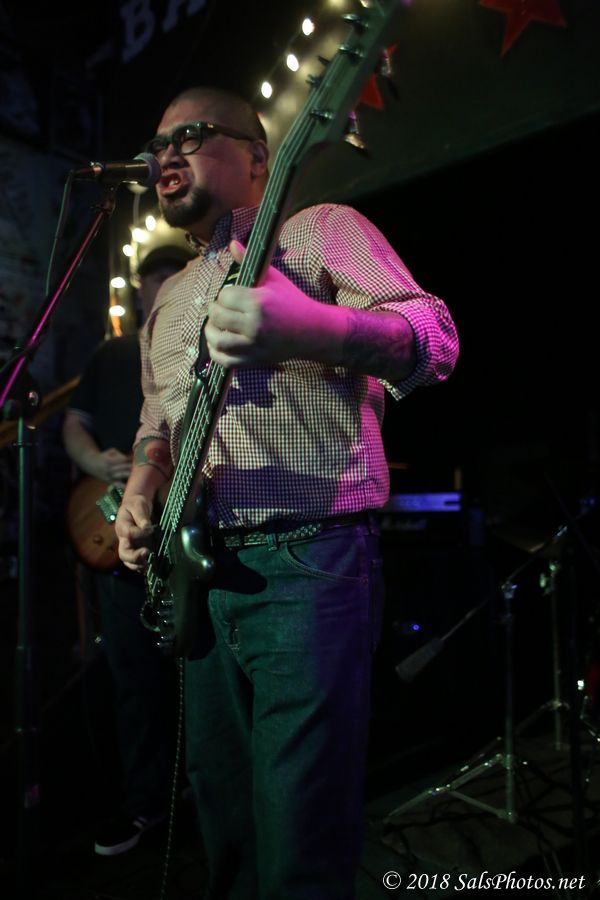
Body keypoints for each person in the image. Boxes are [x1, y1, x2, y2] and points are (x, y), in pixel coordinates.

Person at [114, 86, 459, 899]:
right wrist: (143, 484)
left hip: (308, 561)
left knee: (301, 837)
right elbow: (156, 423)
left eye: (192, 135)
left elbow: (434, 337)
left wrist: (309, 327)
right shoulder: (166, 302)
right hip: (200, 576)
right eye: (158, 143)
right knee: (229, 832)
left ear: (257, 156)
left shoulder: (319, 230)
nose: (166, 154)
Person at [62, 245, 191, 855]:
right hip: (121, 531)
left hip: (186, 529)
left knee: (194, 671)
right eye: (148, 286)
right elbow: (73, 423)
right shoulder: (111, 354)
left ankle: (202, 800)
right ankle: (147, 805)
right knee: (132, 676)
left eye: (166, 282)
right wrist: (98, 465)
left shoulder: (189, 341)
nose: (155, 295)